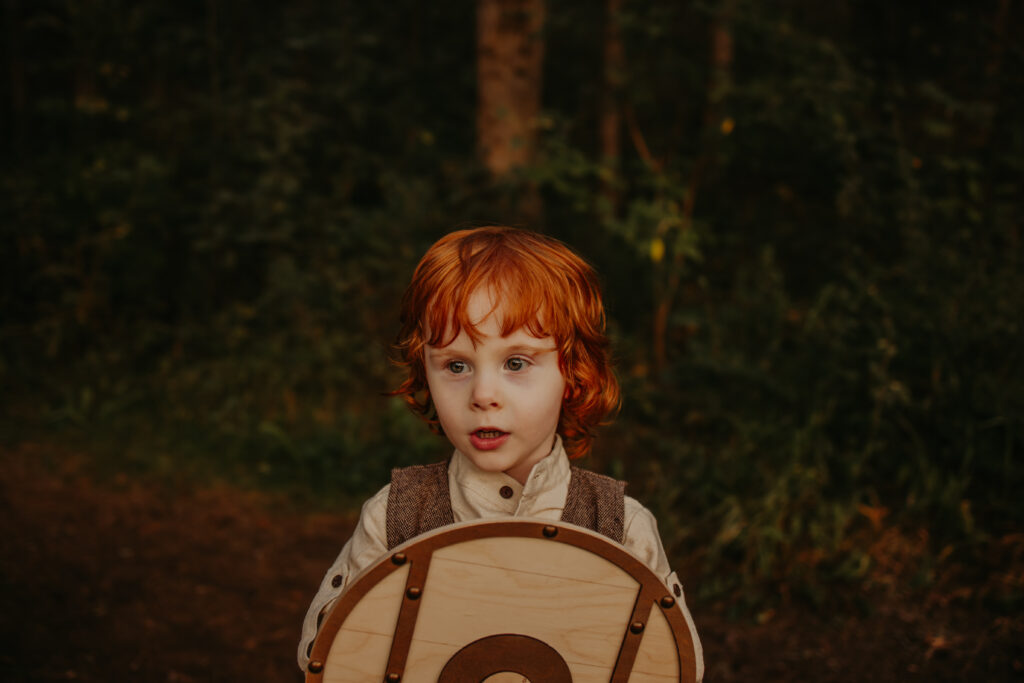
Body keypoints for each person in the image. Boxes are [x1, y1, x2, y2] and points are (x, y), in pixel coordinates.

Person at [297, 226, 703, 679]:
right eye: (456, 365)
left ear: (573, 372)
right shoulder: (394, 516)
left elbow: (668, 668)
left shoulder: (621, 527)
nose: (483, 394)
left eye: (516, 363)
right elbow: (332, 659)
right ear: (424, 372)